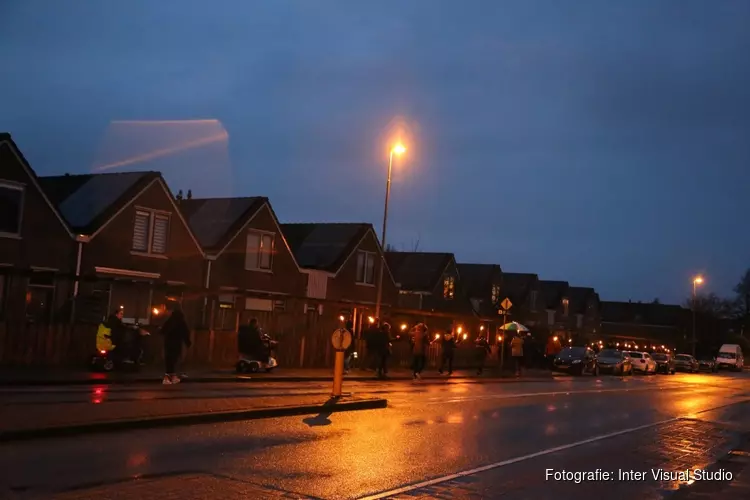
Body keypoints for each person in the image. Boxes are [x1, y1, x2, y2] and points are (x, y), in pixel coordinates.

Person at [160, 302, 191, 385]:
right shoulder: (181, 321)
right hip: (177, 343)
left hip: (168, 343)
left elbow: (163, 330)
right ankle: (172, 377)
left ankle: (168, 377)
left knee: (169, 360)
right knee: (175, 360)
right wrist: (188, 343)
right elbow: (185, 333)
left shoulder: (169, 320)